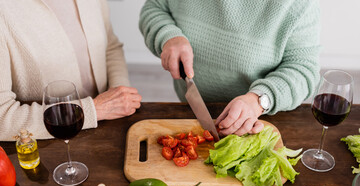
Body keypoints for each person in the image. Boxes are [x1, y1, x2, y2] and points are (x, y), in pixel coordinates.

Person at [139, 0, 321, 136]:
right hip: (189, 110)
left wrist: (260, 100)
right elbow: (154, 8)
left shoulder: (299, 4)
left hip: (260, 121)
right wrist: (168, 36)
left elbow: (304, 69)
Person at [0, 0, 142, 141]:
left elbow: (110, 46)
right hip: (49, 144)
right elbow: (2, 117)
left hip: (108, 125)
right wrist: (93, 110)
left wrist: (118, 94)